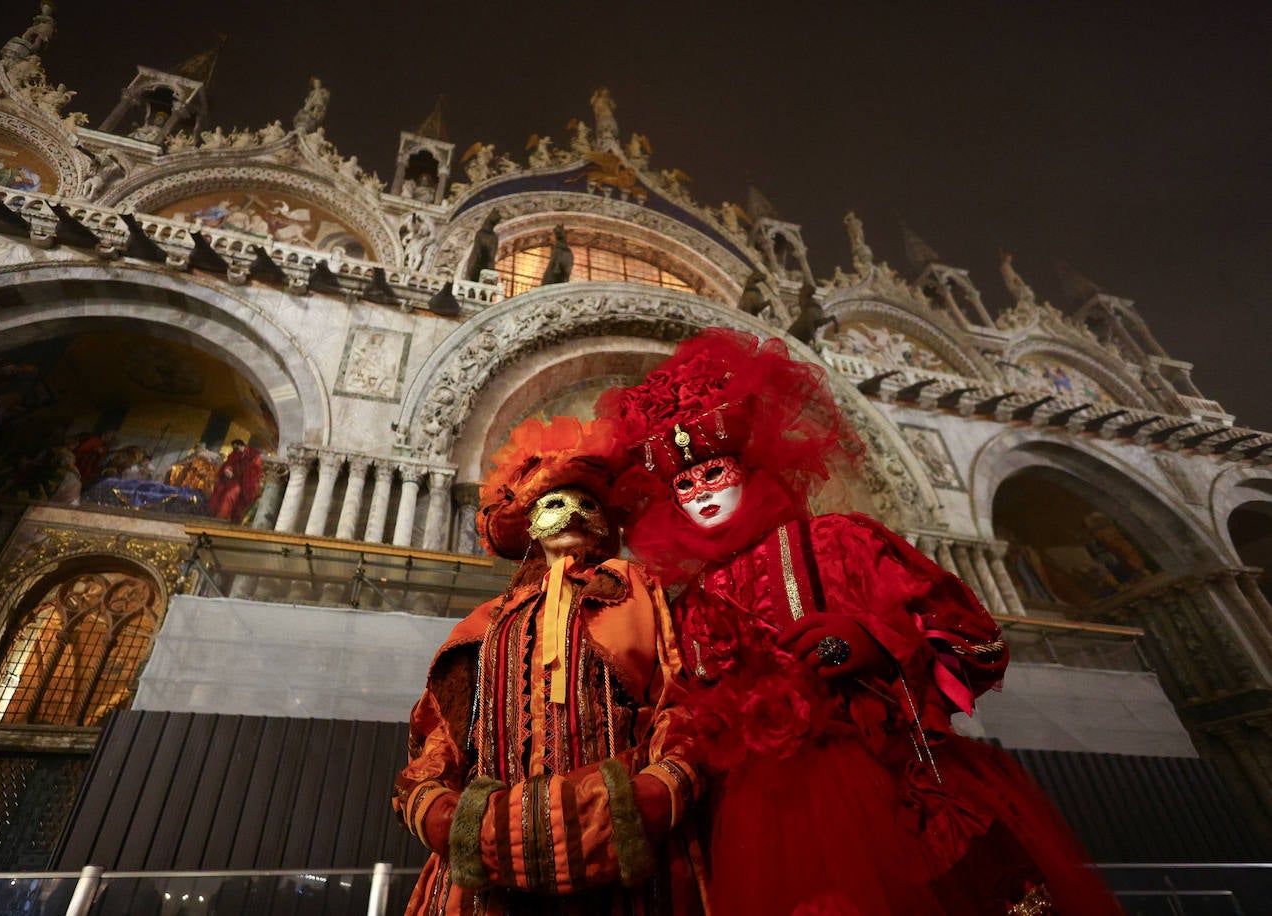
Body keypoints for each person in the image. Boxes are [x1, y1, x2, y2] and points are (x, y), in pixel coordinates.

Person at [596, 328, 1118, 916]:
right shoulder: (689, 600)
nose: (700, 495)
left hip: (889, 787)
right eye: (684, 485)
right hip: (759, 821)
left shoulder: (840, 542)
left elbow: (980, 642)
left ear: (746, 467)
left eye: (713, 472)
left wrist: (880, 641)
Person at [393, 416, 706, 915]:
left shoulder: (635, 592)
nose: (573, 515)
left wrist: (642, 801)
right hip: (492, 874)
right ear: (530, 522)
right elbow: (440, 742)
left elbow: (679, 702)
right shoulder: (485, 622)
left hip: (624, 867)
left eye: (588, 504)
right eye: (555, 504)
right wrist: (452, 821)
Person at [209, 439, 264, 523]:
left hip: (249, 481)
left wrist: (249, 475)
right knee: (224, 491)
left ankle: (225, 517)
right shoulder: (234, 454)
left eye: (236, 447)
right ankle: (222, 516)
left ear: (240, 445)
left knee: (233, 492)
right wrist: (228, 470)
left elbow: (257, 468)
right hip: (235, 480)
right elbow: (229, 463)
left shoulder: (254, 454)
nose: (235, 449)